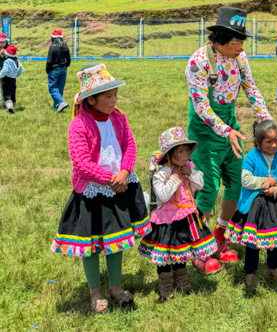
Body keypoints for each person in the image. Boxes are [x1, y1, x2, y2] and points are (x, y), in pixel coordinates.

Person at [51, 63, 152, 314]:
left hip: (120, 185)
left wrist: (125, 172)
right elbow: (82, 164)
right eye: (108, 96)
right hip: (93, 192)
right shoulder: (79, 124)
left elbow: (130, 144)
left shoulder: (118, 116)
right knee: (92, 243)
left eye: (115, 94)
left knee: (116, 240)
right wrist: (110, 179)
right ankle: (95, 291)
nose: (113, 99)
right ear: (91, 99)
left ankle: (116, 287)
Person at [185, 6, 272, 273]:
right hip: (205, 132)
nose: (241, 48)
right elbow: (201, 106)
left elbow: (251, 87)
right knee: (208, 188)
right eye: (237, 41)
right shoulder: (198, 62)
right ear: (221, 38)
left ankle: (220, 235)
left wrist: (267, 122)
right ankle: (199, 247)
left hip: (230, 126)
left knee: (238, 184)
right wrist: (226, 131)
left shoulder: (239, 58)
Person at [139, 128, 219, 300]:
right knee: (166, 255)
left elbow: (200, 185)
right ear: (169, 154)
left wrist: (189, 174)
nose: (185, 156)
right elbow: (163, 195)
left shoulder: (189, 168)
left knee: (181, 250)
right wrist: (174, 177)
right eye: (180, 152)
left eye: (187, 151)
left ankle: (181, 279)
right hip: (166, 221)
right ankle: (166, 285)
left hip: (186, 217)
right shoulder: (162, 173)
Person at [225, 120, 277, 288]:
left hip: (276, 204)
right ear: (258, 142)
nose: (274, 144)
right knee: (252, 243)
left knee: (275, 239)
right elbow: (246, 180)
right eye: (268, 141)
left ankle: (273, 267)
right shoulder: (251, 157)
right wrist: (265, 182)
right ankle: (250, 272)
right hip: (255, 206)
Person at [46, 29, 71, 112]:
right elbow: (68, 59)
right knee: (60, 89)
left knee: (52, 88)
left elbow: (49, 61)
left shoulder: (52, 47)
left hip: (54, 70)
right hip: (63, 69)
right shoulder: (65, 46)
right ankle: (57, 106)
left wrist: (48, 70)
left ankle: (61, 102)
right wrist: (65, 66)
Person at [0, 45, 24, 113]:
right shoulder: (17, 60)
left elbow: (4, 70)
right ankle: (13, 103)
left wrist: (0, 75)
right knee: (12, 92)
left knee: (6, 93)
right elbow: (21, 69)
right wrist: (16, 74)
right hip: (13, 79)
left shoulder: (7, 61)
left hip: (6, 79)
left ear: (7, 54)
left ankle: (9, 106)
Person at [0, 32, 9, 106]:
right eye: (0, 42)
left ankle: (4, 102)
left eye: (4, 42)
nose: (2, 44)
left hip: (4, 70)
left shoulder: (8, 49)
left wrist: (5, 54)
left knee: (4, 87)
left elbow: (11, 59)